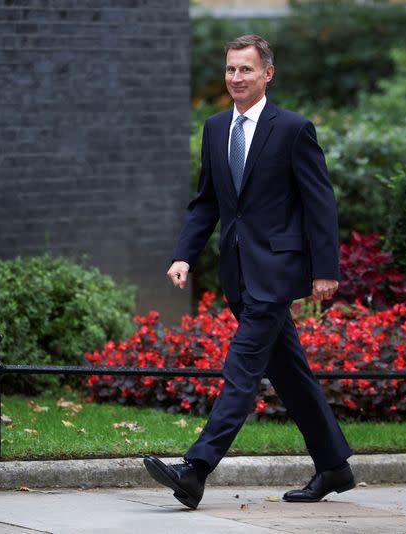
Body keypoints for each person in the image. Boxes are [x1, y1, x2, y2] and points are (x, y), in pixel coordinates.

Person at [143, 35, 354, 510]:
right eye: (231, 70)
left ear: (267, 74)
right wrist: (184, 255)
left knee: (240, 369)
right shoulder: (216, 128)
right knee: (292, 376)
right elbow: (207, 203)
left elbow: (320, 203)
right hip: (239, 273)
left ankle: (195, 469)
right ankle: (335, 465)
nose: (236, 78)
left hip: (276, 273)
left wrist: (326, 269)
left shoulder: (294, 129)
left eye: (246, 70)